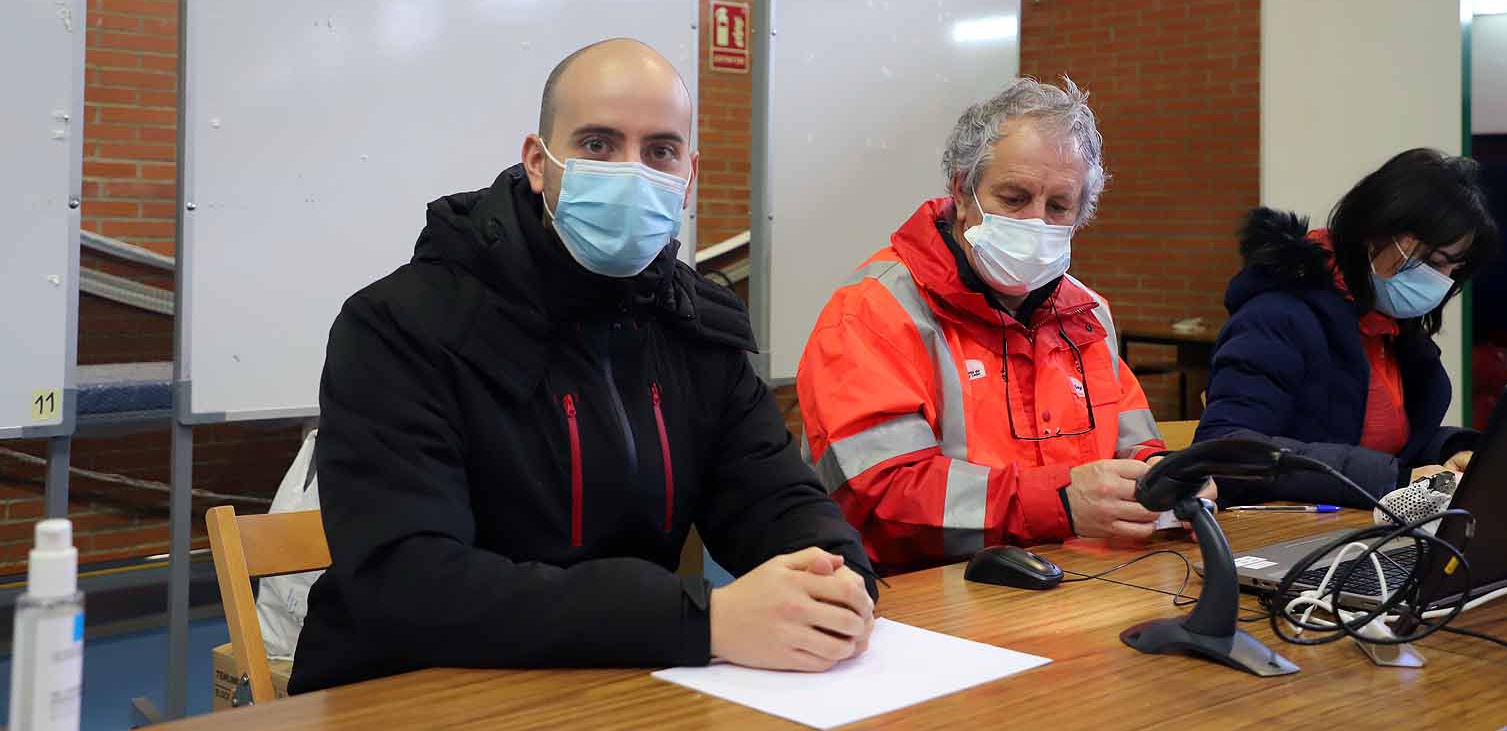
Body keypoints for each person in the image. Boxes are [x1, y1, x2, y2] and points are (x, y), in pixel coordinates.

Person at [290, 38, 875, 693]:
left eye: (660, 150)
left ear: (688, 174)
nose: (632, 170)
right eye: (598, 144)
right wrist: (702, 620)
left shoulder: (695, 327)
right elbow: (410, 582)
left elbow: (775, 497)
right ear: (539, 163)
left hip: (619, 682)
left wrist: (838, 576)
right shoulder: (400, 327)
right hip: (411, 691)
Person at [797, 77, 1177, 574]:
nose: (1036, 223)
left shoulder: (1087, 315)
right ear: (961, 190)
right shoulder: (874, 312)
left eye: (1059, 206)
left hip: (1077, 586)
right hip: (922, 601)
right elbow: (880, 498)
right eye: (1015, 198)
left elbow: (1135, 446)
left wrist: (1166, 481)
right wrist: (1060, 503)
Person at [1195, 148, 1500, 507]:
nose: (1441, 282)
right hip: (1284, 538)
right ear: (1375, 232)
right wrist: (1397, 479)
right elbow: (1225, 449)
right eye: (1432, 262)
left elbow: (1384, 445)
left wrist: (1450, 451)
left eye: (1452, 269)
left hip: (1358, 532)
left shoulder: (1389, 329)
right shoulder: (1276, 317)